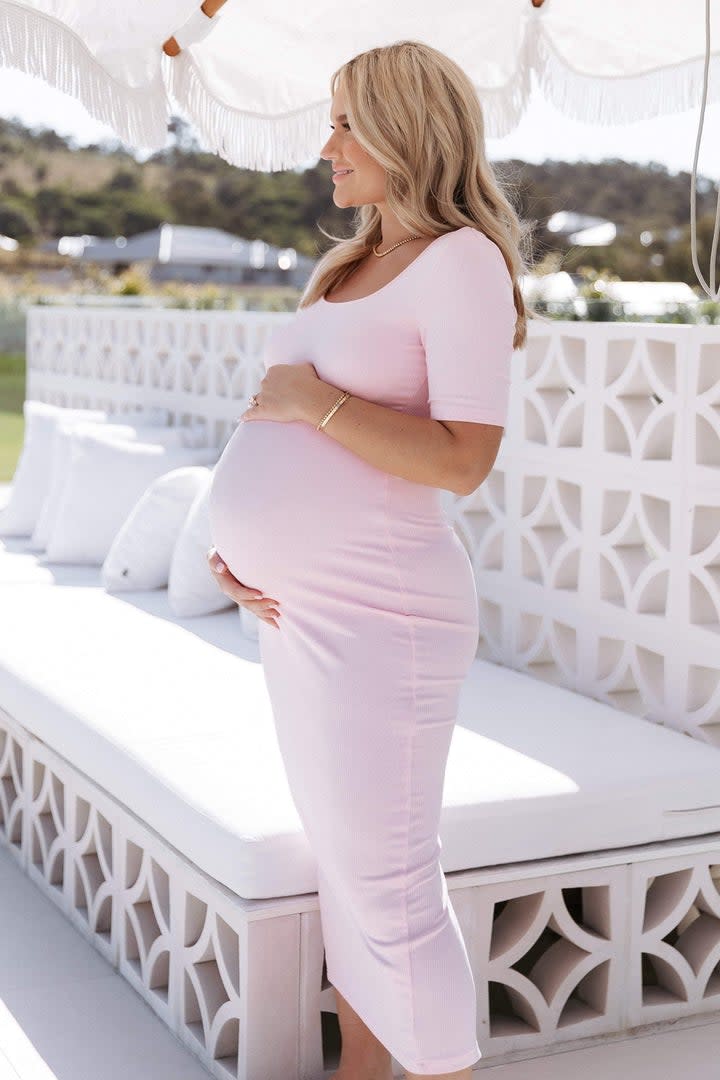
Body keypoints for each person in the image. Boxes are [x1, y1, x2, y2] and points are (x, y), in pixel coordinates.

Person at [206, 39, 532, 1080]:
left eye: (347, 121)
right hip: (297, 617)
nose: (326, 144)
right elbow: (284, 428)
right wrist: (235, 550)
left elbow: (464, 461)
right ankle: (365, 1067)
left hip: (383, 615)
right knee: (349, 873)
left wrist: (317, 405)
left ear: (407, 129)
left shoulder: (464, 262)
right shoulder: (346, 262)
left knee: (389, 883)